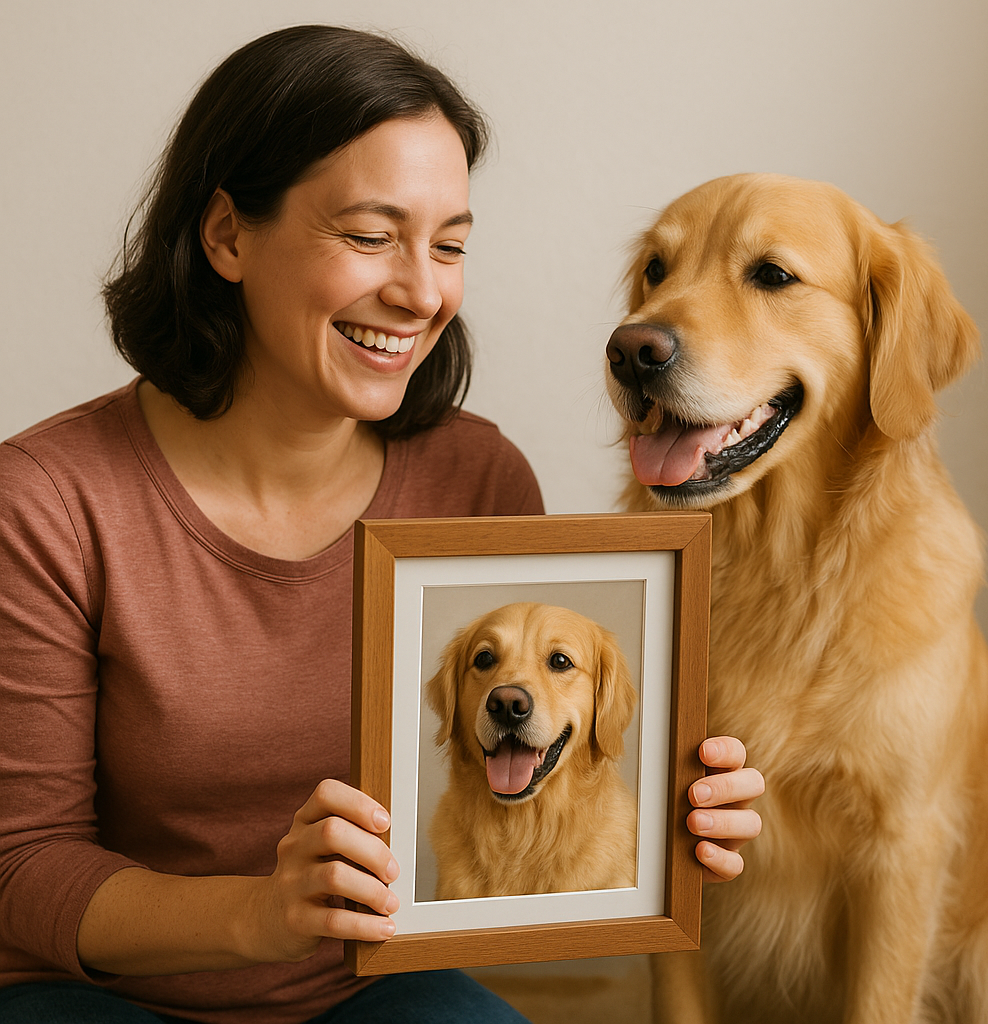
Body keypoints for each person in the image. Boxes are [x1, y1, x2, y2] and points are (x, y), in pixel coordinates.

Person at [0, 25, 764, 1024]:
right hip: (89, 995)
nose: (421, 290)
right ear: (227, 234)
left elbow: (520, 780)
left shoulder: (477, 475)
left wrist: (665, 822)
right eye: (369, 236)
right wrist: (261, 916)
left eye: (449, 244)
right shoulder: (47, 501)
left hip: (362, 992)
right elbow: (23, 866)